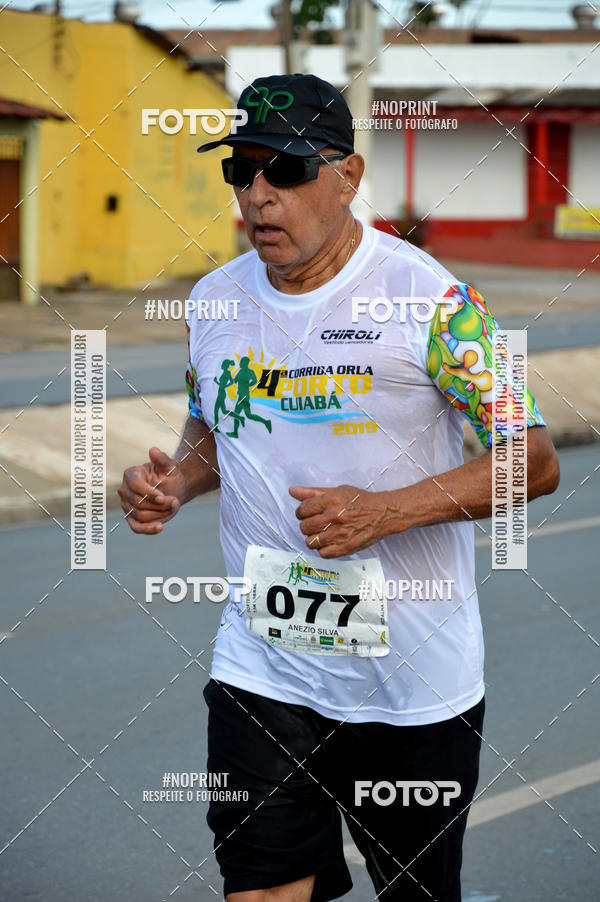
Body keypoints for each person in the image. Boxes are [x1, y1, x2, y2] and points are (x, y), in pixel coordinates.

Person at [119, 74, 560, 902]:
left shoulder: (433, 301)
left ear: (348, 176)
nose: (257, 196)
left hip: (412, 687)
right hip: (265, 671)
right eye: (240, 171)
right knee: (260, 890)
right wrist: (173, 482)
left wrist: (386, 512)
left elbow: (533, 459)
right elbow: (218, 431)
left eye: (282, 171)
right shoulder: (214, 302)